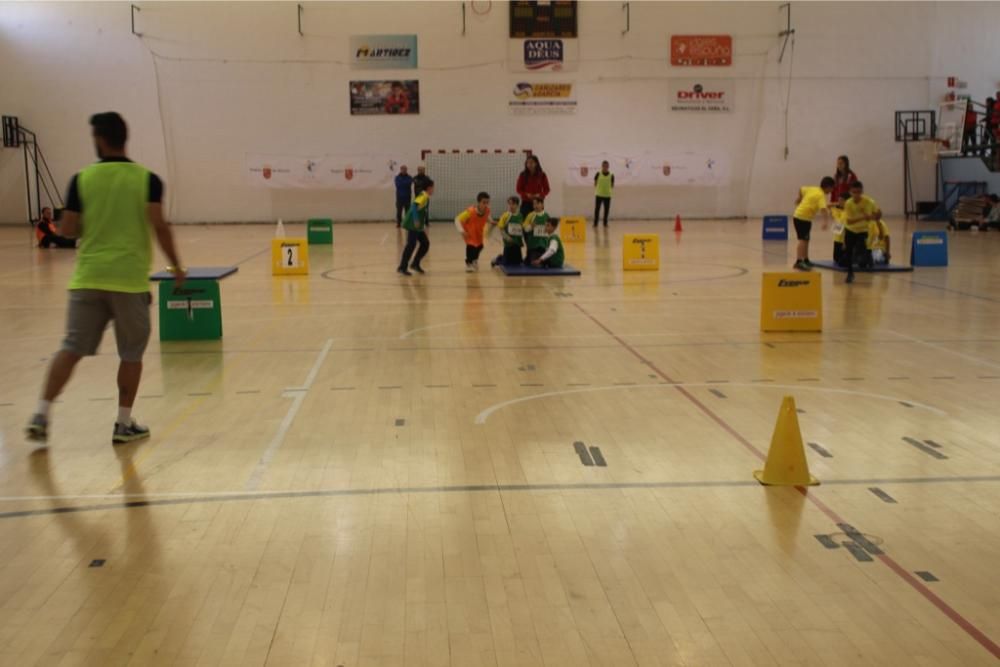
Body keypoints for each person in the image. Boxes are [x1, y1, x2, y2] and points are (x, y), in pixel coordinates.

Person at [26, 112, 185, 444]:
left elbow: (67, 230)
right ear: (124, 137)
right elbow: (159, 226)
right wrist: (177, 267)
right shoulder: (148, 180)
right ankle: (123, 424)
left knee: (70, 348)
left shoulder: (80, 180)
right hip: (128, 281)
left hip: (87, 279)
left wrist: (93, 221)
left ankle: (41, 414)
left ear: (99, 139)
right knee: (131, 354)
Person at [792, 176, 835, 271]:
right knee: (802, 240)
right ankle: (799, 262)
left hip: (802, 217)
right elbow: (823, 210)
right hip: (802, 218)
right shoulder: (821, 195)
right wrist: (825, 222)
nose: (832, 191)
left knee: (806, 239)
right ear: (827, 187)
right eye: (832, 188)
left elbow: (801, 189)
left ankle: (806, 260)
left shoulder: (813, 189)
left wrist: (799, 198)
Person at [842, 180, 881, 283]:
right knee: (848, 253)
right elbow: (849, 221)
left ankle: (865, 257)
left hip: (863, 230)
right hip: (850, 230)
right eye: (854, 192)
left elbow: (876, 216)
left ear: (862, 192)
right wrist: (863, 217)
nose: (856, 195)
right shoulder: (848, 203)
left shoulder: (869, 202)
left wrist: (876, 215)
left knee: (861, 246)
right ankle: (850, 273)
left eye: (859, 192)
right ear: (850, 192)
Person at [398, 178, 434, 276]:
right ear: (429, 188)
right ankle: (402, 267)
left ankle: (415, 264)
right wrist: (416, 220)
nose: (433, 190)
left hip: (417, 226)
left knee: (425, 243)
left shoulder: (425, 196)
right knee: (411, 245)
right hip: (413, 224)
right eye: (433, 188)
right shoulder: (423, 196)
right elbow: (414, 206)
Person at [455, 191, 491, 272]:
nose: (485, 205)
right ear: (478, 202)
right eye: (484, 202)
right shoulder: (470, 211)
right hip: (469, 233)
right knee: (471, 247)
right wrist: (462, 231)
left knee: (480, 246)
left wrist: (491, 221)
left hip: (479, 232)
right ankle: (469, 263)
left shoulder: (487, 210)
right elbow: (457, 219)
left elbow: (487, 217)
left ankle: (474, 260)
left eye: (487, 203)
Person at [491, 196, 525, 267]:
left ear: (517, 205)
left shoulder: (520, 216)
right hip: (508, 242)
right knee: (506, 263)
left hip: (517, 242)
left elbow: (522, 227)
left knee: (518, 262)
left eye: (513, 204)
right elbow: (501, 228)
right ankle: (498, 259)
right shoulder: (505, 216)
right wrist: (507, 237)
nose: (511, 206)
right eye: (509, 204)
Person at [523, 197, 551, 264]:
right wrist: (531, 227)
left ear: (542, 205)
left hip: (544, 245)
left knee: (547, 262)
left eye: (537, 204)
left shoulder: (547, 216)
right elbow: (525, 229)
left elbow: (550, 230)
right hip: (533, 246)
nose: (535, 206)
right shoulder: (530, 215)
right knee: (534, 264)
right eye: (534, 204)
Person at [593, 160, 614, 228]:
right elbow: (595, 183)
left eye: (606, 166)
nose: (605, 167)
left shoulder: (611, 175)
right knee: (597, 210)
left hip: (607, 195)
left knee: (606, 210)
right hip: (599, 195)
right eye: (604, 166)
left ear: (608, 167)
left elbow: (612, 185)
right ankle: (595, 224)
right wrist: (599, 189)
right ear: (602, 166)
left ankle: (605, 223)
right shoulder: (598, 174)